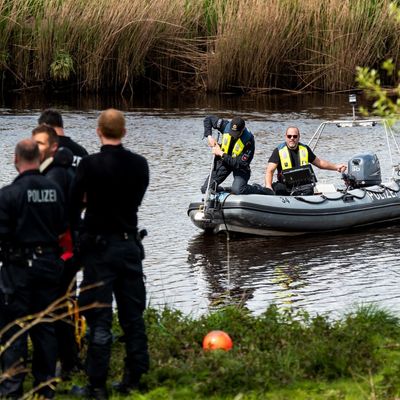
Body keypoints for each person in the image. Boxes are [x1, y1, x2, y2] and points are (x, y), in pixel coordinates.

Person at [70, 109, 149, 399]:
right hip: (129, 245)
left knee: (99, 318)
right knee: (132, 316)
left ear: (98, 131)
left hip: (100, 249)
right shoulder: (140, 165)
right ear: (124, 132)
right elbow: (136, 199)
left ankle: (96, 385)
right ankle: (135, 377)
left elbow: (74, 203)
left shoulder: (89, 165)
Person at [0, 139, 66, 399]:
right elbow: (63, 227)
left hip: (18, 269)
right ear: (39, 160)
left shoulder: (8, 194)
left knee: (14, 328)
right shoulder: (55, 190)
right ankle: (44, 387)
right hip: (49, 266)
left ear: (16, 160)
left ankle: (12, 388)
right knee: (45, 327)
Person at [32, 124, 82, 381]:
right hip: (65, 251)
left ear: (53, 146)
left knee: (54, 308)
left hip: (60, 253)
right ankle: (69, 359)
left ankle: (61, 364)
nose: (34, 148)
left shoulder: (53, 177)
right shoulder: (56, 173)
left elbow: (56, 218)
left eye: (40, 144)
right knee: (62, 306)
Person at [201, 115, 272, 195]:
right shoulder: (225, 125)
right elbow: (208, 119)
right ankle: (227, 190)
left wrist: (220, 153)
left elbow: (239, 163)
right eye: (232, 132)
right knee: (205, 189)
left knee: (238, 190)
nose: (233, 135)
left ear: (243, 130)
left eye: (236, 133)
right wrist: (209, 137)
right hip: (224, 163)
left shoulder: (249, 141)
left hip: (240, 167)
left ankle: (258, 189)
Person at [265, 126, 347, 195]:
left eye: (295, 136)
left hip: (303, 186)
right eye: (289, 136)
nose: (292, 138)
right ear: (286, 137)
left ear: (299, 137)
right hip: (285, 186)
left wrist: (336, 167)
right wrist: (268, 186)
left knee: (309, 190)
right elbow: (270, 171)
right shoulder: (279, 150)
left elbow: (320, 163)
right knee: (277, 188)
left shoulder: (305, 149)